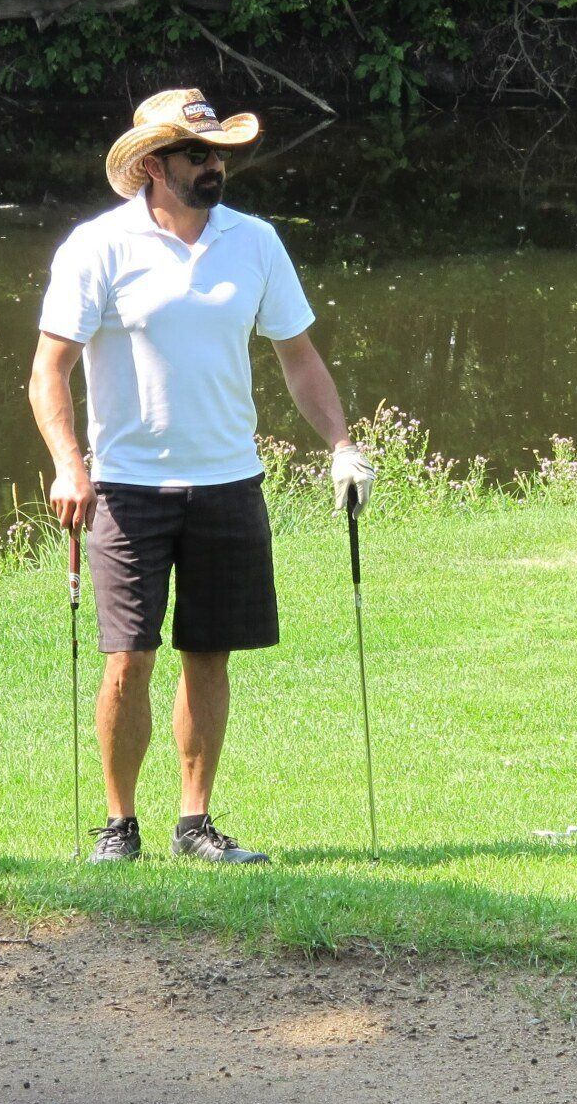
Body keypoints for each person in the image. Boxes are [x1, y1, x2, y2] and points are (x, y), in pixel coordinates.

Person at [29, 89, 375, 865]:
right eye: (196, 153)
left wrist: (341, 445)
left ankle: (195, 823)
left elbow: (299, 355)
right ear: (152, 165)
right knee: (130, 655)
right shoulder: (99, 246)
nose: (213, 164)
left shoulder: (254, 243)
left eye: (217, 151)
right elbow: (48, 370)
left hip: (229, 482)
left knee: (209, 652)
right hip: (126, 487)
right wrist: (68, 465)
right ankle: (119, 826)